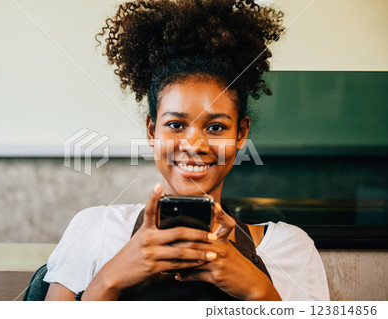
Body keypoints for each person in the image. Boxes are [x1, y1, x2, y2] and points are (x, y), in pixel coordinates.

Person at [43, 0, 329, 301]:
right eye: (176, 125)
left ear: (241, 134)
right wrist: (110, 279)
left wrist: (257, 289)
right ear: (152, 131)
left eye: (216, 127)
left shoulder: (290, 247)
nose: (194, 145)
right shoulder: (96, 228)